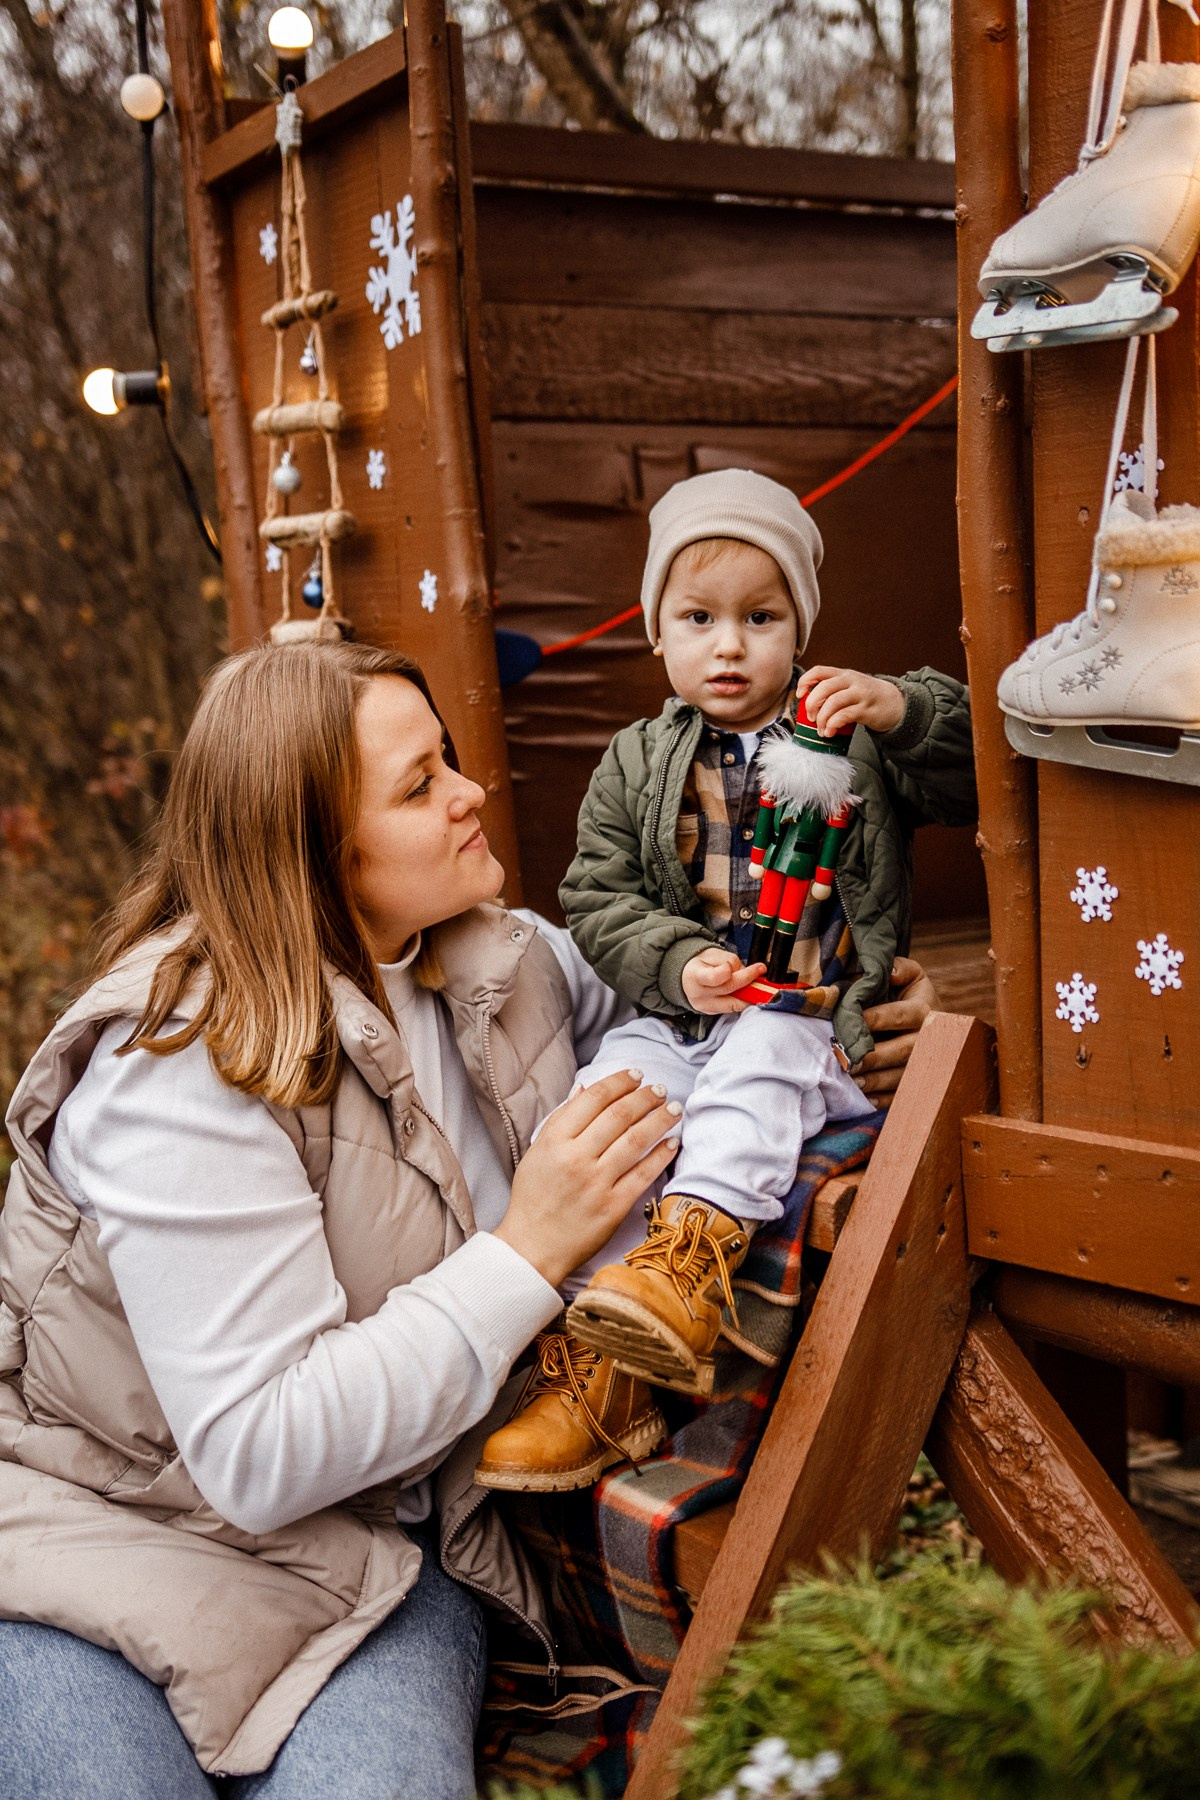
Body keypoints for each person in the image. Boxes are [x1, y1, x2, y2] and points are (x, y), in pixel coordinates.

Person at [0, 639, 937, 1798]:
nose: (470, 793)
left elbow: (720, 1024)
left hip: (378, 1565)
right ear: (313, 852)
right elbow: (255, 1451)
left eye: (445, 757)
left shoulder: (518, 963)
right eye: (418, 785)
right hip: (94, 1542)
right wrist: (527, 1252)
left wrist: (858, 1021)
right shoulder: (180, 1068)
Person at [474, 468, 975, 1495]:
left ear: (800, 626)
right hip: (688, 1013)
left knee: (759, 1059)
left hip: (815, 1014)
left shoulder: (850, 734)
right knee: (607, 1094)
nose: (731, 644)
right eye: (699, 617)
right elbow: (597, 896)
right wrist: (673, 961)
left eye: (761, 615)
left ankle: (690, 1266)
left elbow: (972, 770)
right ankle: (602, 1371)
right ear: (659, 632)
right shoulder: (636, 761)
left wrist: (899, 706)